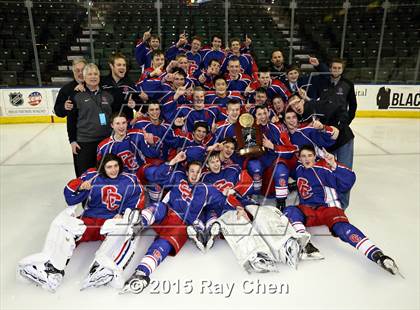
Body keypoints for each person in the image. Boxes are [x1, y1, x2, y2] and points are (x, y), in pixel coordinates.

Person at [17, 154, 146, 292]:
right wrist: (81, 187)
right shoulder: (92, 175)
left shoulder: (129, 179)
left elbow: (138, 200)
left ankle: (107, 268)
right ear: (103, 167)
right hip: (89, 220)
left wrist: (124, 213)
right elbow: (70, 197)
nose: (113, 170)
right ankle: (51, 267)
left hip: (110, 221)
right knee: (64, 225)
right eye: (109, 167)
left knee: (129, 230)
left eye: (116, 166)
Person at [121, 152, 243, 294]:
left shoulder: (206, 189)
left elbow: (223, 201)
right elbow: (156, 176)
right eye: (192, 171)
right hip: (166, 212)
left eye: (198, 172)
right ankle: (138, 224)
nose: (194, 175)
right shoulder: (178, 178)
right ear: (187, 172)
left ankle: (141, 274)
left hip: (180, 224)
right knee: (159, 207)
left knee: (163, 245)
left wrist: (238, 207)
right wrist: (172, 161)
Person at [282, 145, 400, 275]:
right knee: (289, 211)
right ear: (300, 158)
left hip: (329, 209)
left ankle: (377, 255)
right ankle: (306, 244)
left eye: (310, 155)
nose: (307, 159)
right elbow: (286, 158)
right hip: (309, 211)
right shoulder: (299, 168)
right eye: (303, 156)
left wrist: (333, 163)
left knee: (342, 228)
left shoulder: (323, 169)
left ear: (315, 156)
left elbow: (348, 181)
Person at [288, 92, 355, 209]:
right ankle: (333, 201)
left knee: (342, 170)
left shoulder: (316, 106)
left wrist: (338, 127)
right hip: (328, 145)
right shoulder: (300, 117)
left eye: (297, 103)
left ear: (302, 101)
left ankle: (342, 206)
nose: (296, 107)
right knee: (331, 171)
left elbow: (340, 110)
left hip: (343, 140)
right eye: (292, 106)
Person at [67, 63, 114, 177]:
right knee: (85, 174)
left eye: (95, 74)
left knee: (104, 173)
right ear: (84, 77)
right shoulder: (76, 95)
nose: (93, 77)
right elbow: (71, 120)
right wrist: (72, 140)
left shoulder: (108, 94)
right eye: (89, 74)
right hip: (84, 142)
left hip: (105, 141)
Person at [53, 58, 87, 176]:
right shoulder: (66, 89)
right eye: (77, 70)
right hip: (78, 138)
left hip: (98, 134)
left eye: (83, 70)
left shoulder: (95, 86)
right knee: (81, 169)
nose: (80, 73)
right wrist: (64, 107)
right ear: (73, 72)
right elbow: (58, 111)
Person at [101, 53, 138, 121]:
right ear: (111, 66)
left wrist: (135, 104)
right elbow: (98, 108)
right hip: (107, 126)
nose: (122, 67)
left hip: (124, 126)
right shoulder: (102, 84)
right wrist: (103, 122)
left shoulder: (130, 84)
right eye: (119, 65)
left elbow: (139, 105)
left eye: (124, 65)